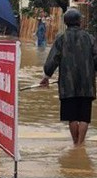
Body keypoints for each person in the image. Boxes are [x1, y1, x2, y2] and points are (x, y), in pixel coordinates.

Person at [40, 8, 97, 147]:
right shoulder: (90, 38)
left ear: (65, 22)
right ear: (79, 21)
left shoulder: (61, 38)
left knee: (72, 117)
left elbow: (52, 60)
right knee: (84, 116)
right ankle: (80, 144)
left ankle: (75, 143)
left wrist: (46, 76)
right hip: (87, 84)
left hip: (67, 84)